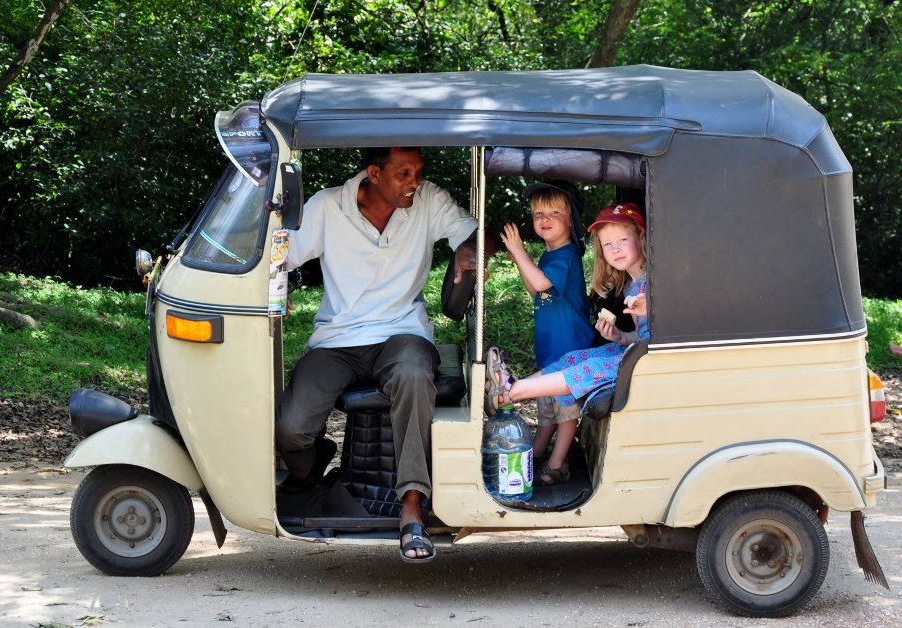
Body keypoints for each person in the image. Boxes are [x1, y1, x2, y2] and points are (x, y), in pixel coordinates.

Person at [276, 146, 483, 563]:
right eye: (404, 174)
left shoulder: (428, 201)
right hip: (338, 338)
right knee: (290, 428)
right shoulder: (328, 205)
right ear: (374, 173)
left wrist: (468, 247)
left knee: (412, 374)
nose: (415, 182)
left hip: (401, 330)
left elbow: (476, 232)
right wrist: (274, 282)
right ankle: (310, 467)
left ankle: (411, 508)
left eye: (418, 172)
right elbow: (283, 254)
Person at [487, 202, 649, 484]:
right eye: (608, 244)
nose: (616, 249)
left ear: (642, 239)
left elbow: (668, 327)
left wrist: (653, 309)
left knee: (590, 368)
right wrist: (621, 337)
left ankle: (512, 391)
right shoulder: (632, 285)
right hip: (635, 351)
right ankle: (513, 382)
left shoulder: (654, 281)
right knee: (574, 359)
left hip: (650, 361)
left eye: (623, 240)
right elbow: (640, 335)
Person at [499, 181, 594, 482]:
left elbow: (541, 283)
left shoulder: (567, 255)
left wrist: (518, 250)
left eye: (554, 211)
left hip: (571, 348)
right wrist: (520, 261)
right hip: (552, 348)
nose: (544, 218)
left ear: (571, 219)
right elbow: (535, 290)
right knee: (547, 409)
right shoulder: (548, 256)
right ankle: (537, 452)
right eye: (539, 212)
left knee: (565, 410)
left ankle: (557, 463)